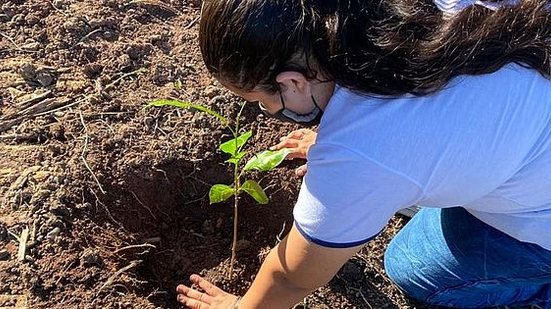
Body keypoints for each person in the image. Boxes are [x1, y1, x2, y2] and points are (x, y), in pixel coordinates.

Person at [176, 0, 551, 308]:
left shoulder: (363, 152)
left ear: (292, 81)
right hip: (530, 145)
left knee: (410, 266)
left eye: (263, 101)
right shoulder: (389, 15)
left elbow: (292, 275)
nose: (269, 113)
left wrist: (241, 308)